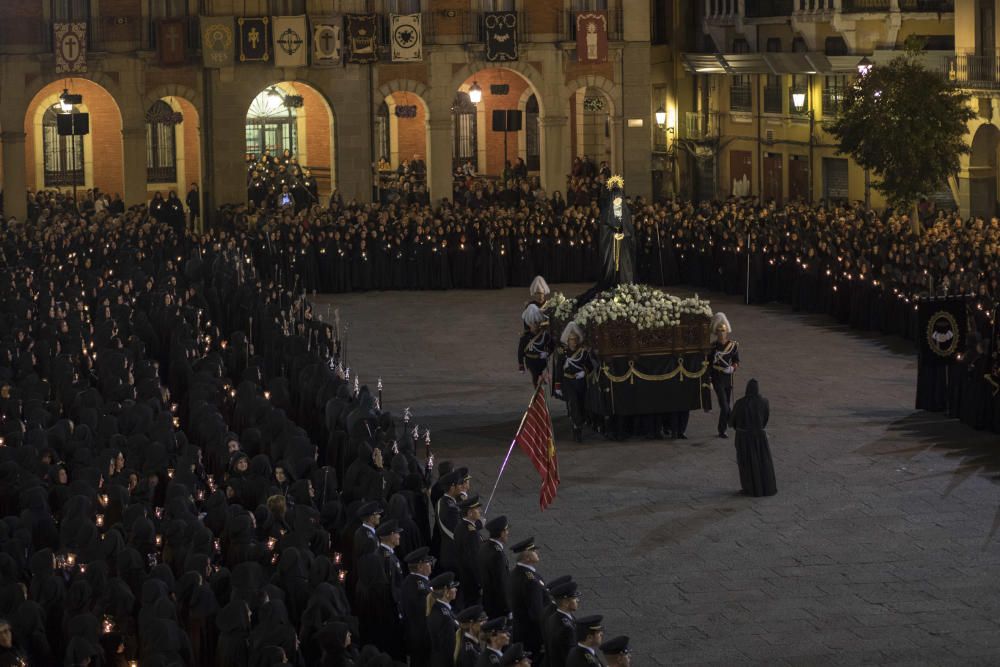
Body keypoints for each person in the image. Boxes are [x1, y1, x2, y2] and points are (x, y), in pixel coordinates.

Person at [730, 379, 777, 497]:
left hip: (744, 437)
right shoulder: (764, 402)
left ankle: (749, 488)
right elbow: (765, 419)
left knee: (746, 463)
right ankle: (765, 488)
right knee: (762, 462)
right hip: (759, 437)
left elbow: (732, 422)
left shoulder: (740, 403)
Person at [508, 538, 545, 656]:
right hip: (531, 633)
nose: (537, 553)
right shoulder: (531, 580)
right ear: (527, 558)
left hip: (519, 628)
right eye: (534, 551)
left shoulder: (514, 573)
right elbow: (536, 612)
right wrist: (543, 635)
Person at [558, 323, 593, 443]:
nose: (573, 342)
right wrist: (558, 386)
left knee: (582, 405)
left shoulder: (583, 353)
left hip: (581, 383)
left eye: (575, 339)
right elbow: (559, 370)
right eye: (571, 339)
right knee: (574, 405)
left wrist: (584, 372)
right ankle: (576, 428)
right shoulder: (563, 354)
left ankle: (580, 424)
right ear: (567, 340)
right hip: (569, 382)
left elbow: (590, 367)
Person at [598, 176, 636, 288]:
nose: (617, 199)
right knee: (612, 263)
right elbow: (604, 227)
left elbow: (628, 227)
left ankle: (624, 282)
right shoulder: (607, 212)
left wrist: (624, 233)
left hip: (623, 242)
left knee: (624, 263)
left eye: (619, 196)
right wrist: (613, 231)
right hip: (611, 242)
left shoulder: (625, 211)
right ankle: (612, 281)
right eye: (615, 197)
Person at [710, 312, 740, 438]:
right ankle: (726, 427)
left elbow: (736, 361)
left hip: (728, 378)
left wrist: (732, 368)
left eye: (723, 331)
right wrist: (709, 379)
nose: (722, 334)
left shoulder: (733, 346)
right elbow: (708, 364)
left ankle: (724, 427)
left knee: (727, 403)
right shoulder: (712, 347)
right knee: (724, 405)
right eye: (719, 331)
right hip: (717, 378)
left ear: (727, 331)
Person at [477, 515, 511, 619]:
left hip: (487, 600)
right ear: (501, 533)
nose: (508, 533)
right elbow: (501, 583)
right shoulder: (498, 555)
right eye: (506, 530)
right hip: (498, 605)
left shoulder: (484, 545)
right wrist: (508, 608)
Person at [426, 573, 460, 667]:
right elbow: (449, 647)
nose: (456, 589)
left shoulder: (440, 609)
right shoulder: (444, 616)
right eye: (453, 587)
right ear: (446, 592)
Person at [542, 581, 579, 667]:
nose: (577, 600)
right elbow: (569, 655)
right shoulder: (567, 627)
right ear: (565, 602)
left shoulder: (553, 617)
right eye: (574, 598)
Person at [518, 304, 552, 388]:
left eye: (537, 323)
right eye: (533, 323)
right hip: (531, 361)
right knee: (535, 375)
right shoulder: (525, 338)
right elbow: (520, 351)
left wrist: (547, 353)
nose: (535, 325)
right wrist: (521, 365)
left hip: (542, 360)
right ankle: (536, 388)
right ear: (529, 324)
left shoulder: (545, 335)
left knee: (539, 372)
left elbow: (552, 346)